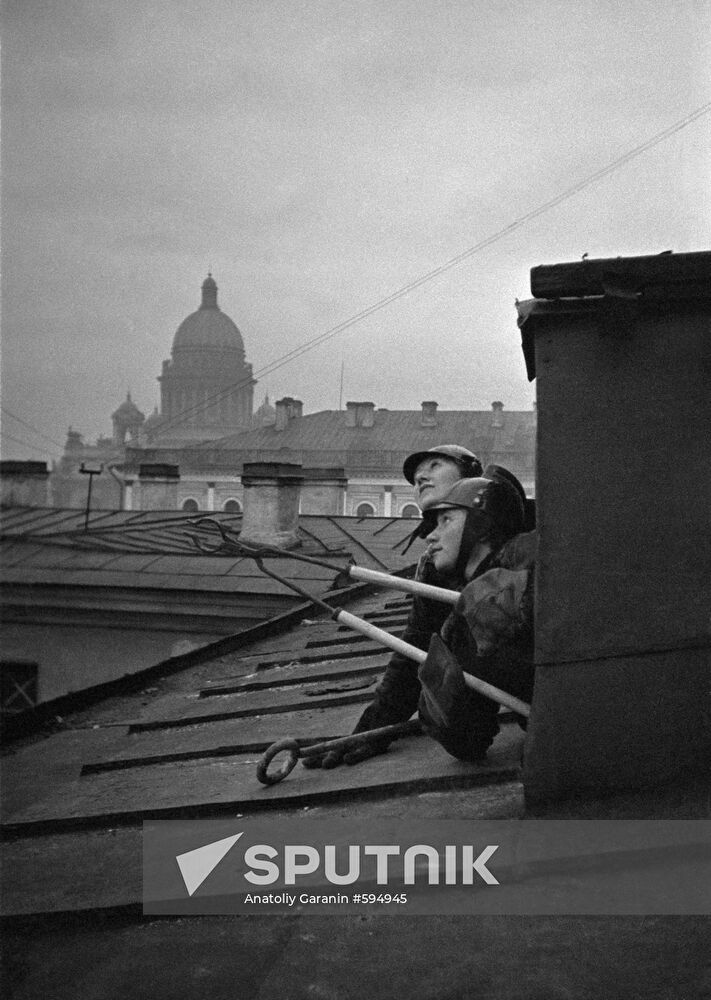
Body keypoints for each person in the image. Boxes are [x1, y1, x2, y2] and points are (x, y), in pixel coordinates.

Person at [304, 448, 524, 769]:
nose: (420, 477)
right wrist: (375, 726)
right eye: (415, 477)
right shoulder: (435, 566)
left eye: (435, 465)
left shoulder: (522, 542)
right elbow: (415, 649)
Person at [416, 476, 535, 761]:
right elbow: (467, 736)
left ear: (481, 526)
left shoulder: (529, 558)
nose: (431, 536)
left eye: (446, 520)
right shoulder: (467, 609)